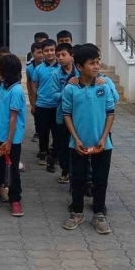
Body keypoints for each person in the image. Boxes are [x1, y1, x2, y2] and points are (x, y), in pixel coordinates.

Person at [62, 45, 116, 234]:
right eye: (92, 63)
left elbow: (110, 113)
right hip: (77, 144)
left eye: (97, 62)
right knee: (78, 180)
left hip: (102, 144)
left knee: (101, 180)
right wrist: (75, 139)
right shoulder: (70, 88)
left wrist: (103, 138)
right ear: (79, 66)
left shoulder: (104, 86)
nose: (96, 66)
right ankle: (77, 212)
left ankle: (99, 214)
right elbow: (67, 114)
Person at [0, 54, 26, 217]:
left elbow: (13, 118)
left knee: (13, 169)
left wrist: (8, 142)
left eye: (0, 70)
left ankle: (15, 200)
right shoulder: (4, 86)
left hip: (10, 140)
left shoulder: (16, 91)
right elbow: (2, 106)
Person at [50, 42, 79, 181]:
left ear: (71, 56)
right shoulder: (56, 74)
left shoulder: (79, 72)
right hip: (62, 115)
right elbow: (55, 95)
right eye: (58, 55)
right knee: (64, 145)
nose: (60, 58)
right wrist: (68, 89)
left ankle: (79, 173)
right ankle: (65, 170)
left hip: (79, 116)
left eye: (63, 55)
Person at [30, 39, 60, 166]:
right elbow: (34, 88)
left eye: (52, 50)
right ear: (42, 53)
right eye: (46, 51)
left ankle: (56, 154)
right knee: (43, 132)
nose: (49, 53)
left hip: (57, 106)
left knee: (57, 132)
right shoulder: (38, 69)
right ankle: (43, 152)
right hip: (42, 105)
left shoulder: (61, 68)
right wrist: (33, 104)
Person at [26, 42, 44, 142]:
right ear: (32, 54)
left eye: (42, 52)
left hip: (45, 96)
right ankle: (37, 132)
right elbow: (29, 83)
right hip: (35, 95)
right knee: (36, 115)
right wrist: (31, 97)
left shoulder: (49, 67)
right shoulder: (29, 68)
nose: (41, 55)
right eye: (38, 52)